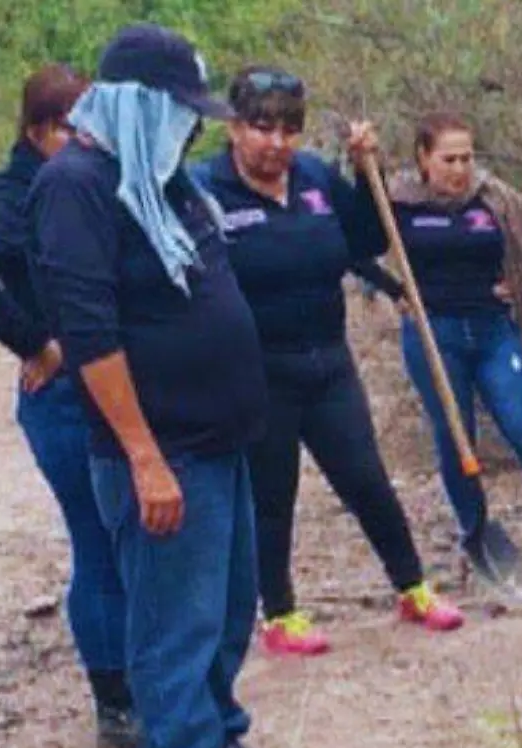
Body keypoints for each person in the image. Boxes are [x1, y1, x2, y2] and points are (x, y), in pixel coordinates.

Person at [27, 22, 308, 748]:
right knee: (174, 622)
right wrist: (145, 458)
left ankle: (216, 742)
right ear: (135, 104)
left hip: (222, 437)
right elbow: (90, 334)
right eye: (180, 108)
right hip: (164, 451)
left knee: (227, 608)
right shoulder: (76, 185)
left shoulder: (162, 181)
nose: (192, 124)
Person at [189, 65, 464, 657]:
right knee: (272, 494)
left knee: (366, 479)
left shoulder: (313, 177)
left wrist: (367, 177)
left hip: (327, 363)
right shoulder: (202, 189)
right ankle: (280, 614)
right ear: (234, 128)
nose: (276, 142)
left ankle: (413, 586)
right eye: (262, 128)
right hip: (256, 372)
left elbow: (366, 239)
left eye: (289, 129)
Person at [0, 63, 139, 748]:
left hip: (107, 385)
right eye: (72, 127)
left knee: (127, 534)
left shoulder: (85, 183)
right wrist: (34, 342)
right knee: (99, 541)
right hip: (61, 398)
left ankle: (139, 679)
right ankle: (115, 703)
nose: (89, 139)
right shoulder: (16, 191)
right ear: (37, 131)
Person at [368, 112, 522, 557]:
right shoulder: (396, 202)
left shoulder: (493, 199)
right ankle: (475, 533)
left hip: (493, 331)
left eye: (466, 158)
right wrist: (393, 290)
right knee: (455, 436)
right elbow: (352, 249)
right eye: (448, 159)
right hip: (434, 335)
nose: (459, 169)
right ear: (423, 158)